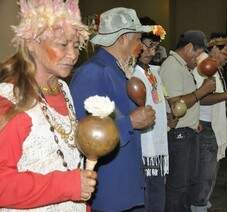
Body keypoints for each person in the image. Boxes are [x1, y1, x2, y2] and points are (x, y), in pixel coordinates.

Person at [0, 0, 97, 210]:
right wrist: (67, 184)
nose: (72, 55)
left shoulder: (63, 88)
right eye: (62, 44)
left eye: (76, 45)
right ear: (33, 43)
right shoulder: (10, 100)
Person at [70, 8, 156, 212]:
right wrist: (131, 122)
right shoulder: (93, 72)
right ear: (124, 38)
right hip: (110, 189)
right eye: (137, 39)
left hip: (125, 183)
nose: (141, 47)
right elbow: (82, 134)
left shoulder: (118, 71)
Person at [160, 30, 216, 212]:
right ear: (189, 48)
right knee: (178, 187)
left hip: (187, 132)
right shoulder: (172, 66)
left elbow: (185, 102)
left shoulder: (182, 67)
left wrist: (194, 121)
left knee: (188, 184)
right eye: (199, 54)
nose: (199, 60)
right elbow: (176, 104)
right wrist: (202, 91)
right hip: (179, 136)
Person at [191, 33, 227, 211]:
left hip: (214, 127)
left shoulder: (215, 66)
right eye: (226, 51)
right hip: (205, 127)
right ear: (214, 48)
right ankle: (199, 206)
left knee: (210, 175)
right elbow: (199, 98)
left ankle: (203, 204)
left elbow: (213, 97)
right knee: (204, 176)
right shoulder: (202, 64)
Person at [132, 17, 168, 212]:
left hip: (158, 146)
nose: (152, 51)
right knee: (146, 201)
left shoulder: (152, 72)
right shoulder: (131, 73)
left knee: (157, 200)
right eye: (148, 45)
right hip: (145, 149)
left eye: (155, 46)